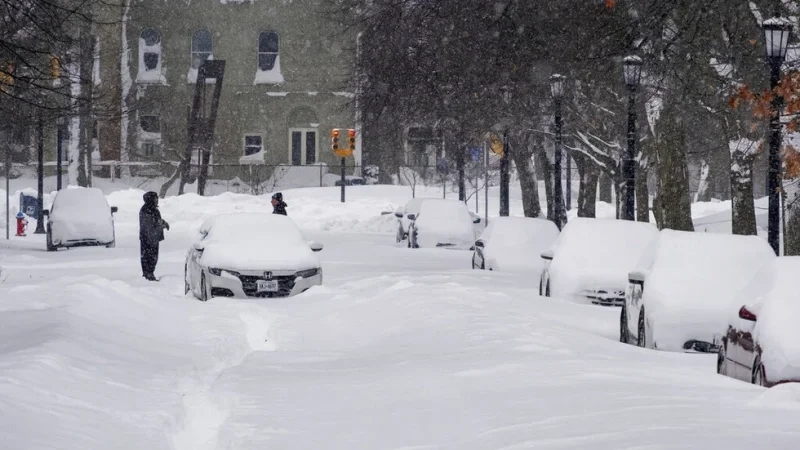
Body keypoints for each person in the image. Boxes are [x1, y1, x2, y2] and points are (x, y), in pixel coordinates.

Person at [139, 191, 169, 281]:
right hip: (148, 238)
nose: (157, 200)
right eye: (155, 198)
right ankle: (148, 275)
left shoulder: (152, 209)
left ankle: (149, 274)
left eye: (157, 198)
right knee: (149, 257)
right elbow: (150, 224)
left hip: (152, 238)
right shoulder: (146, 210)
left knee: (152, 257)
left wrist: (163, 223)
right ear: (150, 199)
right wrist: (161, 225)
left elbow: (156, 220)